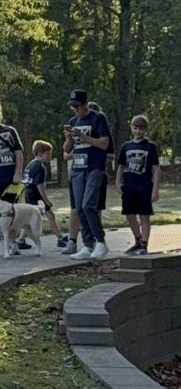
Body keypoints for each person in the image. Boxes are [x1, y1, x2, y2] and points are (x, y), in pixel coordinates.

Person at [64, 88, 112, 261]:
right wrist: (69, 138)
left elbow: (104, 143)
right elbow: (67, 150)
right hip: (78, 169)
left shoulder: (98, 118)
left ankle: (100, 241)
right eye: (73, 107)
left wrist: (83, 136)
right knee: (79, 209)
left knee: (88, 205)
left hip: (94, 167)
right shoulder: (73, 120)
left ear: (85, 103)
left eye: (78, 106)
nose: (76, 110)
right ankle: (87, 243)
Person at [116, 116, 159, 255]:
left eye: (141, 129)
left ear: (145, 130)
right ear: (131, 128)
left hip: (144, 186)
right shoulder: (126, 146)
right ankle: (138, 240)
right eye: (135, 128)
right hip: (129, 186)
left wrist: (155, 190)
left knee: (144, 216)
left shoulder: (150, 146)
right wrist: (118, 182)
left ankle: (144, 244)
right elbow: (121, 166)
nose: (138, 131)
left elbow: (156, 169)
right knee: (130, 215)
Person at [22, 138, 62, 244]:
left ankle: (21, 240)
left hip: (28, 194)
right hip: (37, 196)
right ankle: (60, 239)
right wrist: (46, 200)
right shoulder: (40, 167)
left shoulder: (30, 164)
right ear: (40, 153)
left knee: (28, 219)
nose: (50, 156)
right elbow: (39, 185)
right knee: (50, 216)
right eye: (48, 153)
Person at [0, 100, 24, 207]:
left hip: (9, 178)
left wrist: (18, 172)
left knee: (10, 209)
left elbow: (18, 152)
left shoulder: (9, 131)